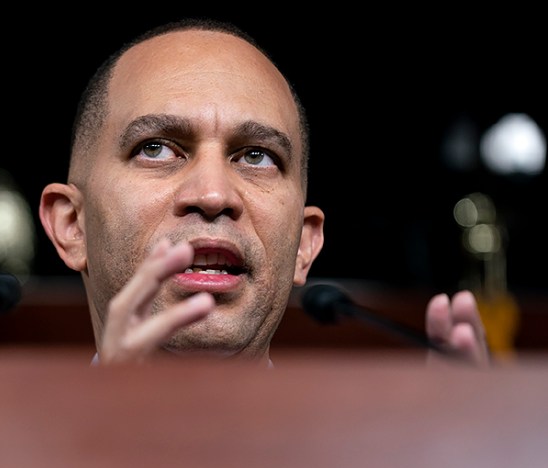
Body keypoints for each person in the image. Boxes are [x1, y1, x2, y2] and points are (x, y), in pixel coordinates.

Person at [38, 17, 489, 367]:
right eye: (155, 149)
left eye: (257, 157)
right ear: (71, 225)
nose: (214, 195)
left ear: (305, 245)